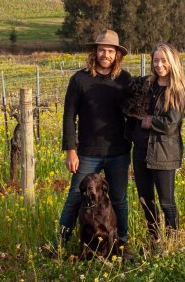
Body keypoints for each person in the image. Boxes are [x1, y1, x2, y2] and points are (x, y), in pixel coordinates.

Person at [59, 30, 132, 250]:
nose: (106, 54)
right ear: (95, 52)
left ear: (117, 54)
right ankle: (61, 244)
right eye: (102, 50)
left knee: (118, 199)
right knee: (74, 197)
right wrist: (71, 149)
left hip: (118, 152)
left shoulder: (125, 80)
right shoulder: (79, 80)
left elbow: (134, 111)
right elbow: (69, 115)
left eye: (111, 51)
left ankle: (121, 243)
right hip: (87, 153)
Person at [126, 43, 185, 242]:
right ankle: (155, 239)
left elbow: (171, 124)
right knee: (145, 200)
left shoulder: (177, 90)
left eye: (163, 60)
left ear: (172, 62)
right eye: (156, 60)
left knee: (166, 202)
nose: (159, 65)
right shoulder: (147, 84)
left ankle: (173, 241)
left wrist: (148, 121)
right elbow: (130, 102)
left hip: (164, 152)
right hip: (141, 150)